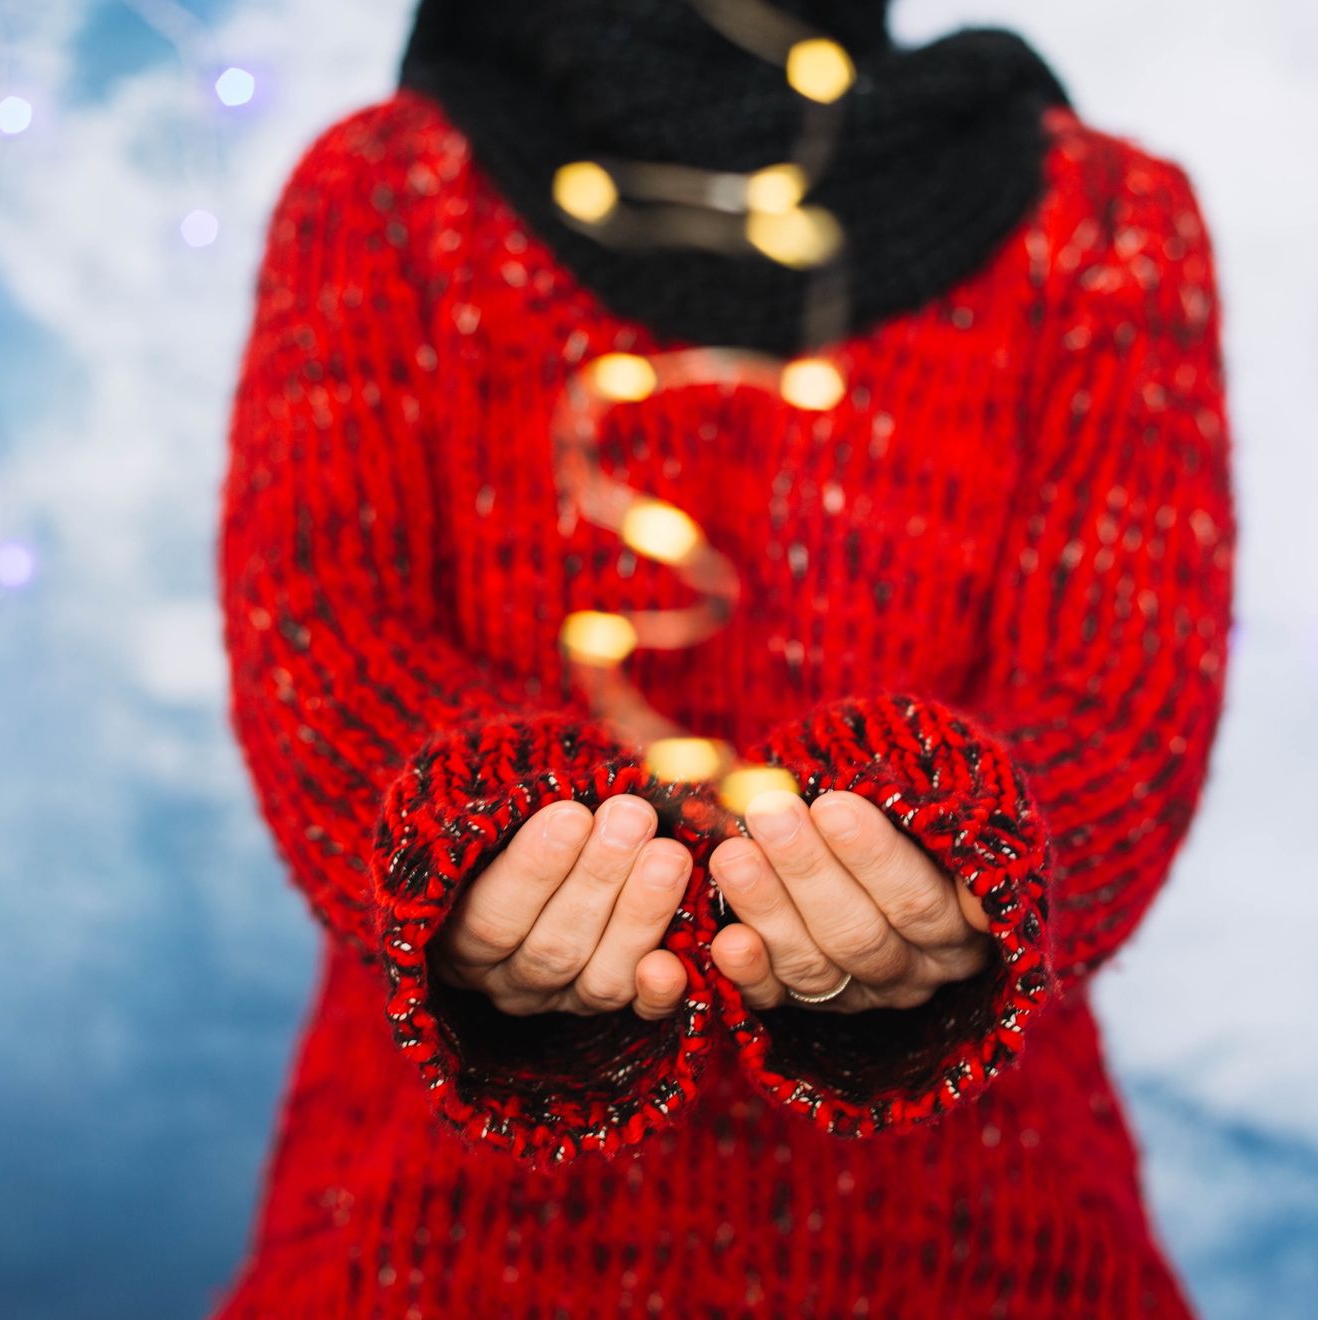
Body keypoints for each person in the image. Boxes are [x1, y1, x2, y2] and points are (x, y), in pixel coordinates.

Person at [214, 0, 1234, 1314]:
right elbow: (320, 630)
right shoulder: (382, 194)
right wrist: (461, 842)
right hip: (424, 1249)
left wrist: (978, 851)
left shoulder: (1103, 221)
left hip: (992, 1254)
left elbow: (1122, 696)